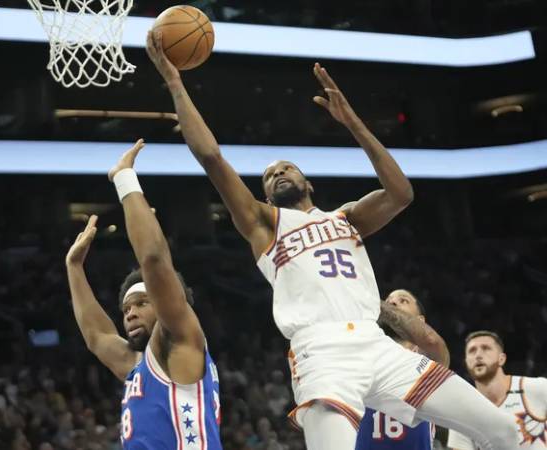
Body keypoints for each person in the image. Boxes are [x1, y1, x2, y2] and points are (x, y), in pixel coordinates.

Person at [146, 30, 517, 450]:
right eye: (269, 176)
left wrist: (353, 123)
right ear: (266, 194)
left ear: (308, 182)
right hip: (323, 352)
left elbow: (401, 193)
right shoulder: (264, 224)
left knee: (502, 430)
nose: (279, 173)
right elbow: (211, 156)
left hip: (378, 345)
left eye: (287, 167)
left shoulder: (348, 218)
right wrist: (175, 82)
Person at [65, 140, 222, 450]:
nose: (130, 313)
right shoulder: (139, 364)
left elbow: (153, 259)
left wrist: (125, 178)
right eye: (125, 309)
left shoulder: (180, 340)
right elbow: (97, 336)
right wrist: (73, 267)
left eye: (141, 303)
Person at [356, 289, 450, 449]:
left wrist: (370, 299)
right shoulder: (361, 354)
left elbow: (433, 342)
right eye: (389, 300)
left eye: (403, 300)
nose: (392, 303)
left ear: (420, 321)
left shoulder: (429, 361)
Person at [448, 331, 547, 449]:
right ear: (466, 362)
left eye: (486, 348)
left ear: (502, 359)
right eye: (472, 351)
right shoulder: (462, 413)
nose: (478, 355)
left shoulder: (537, 387)